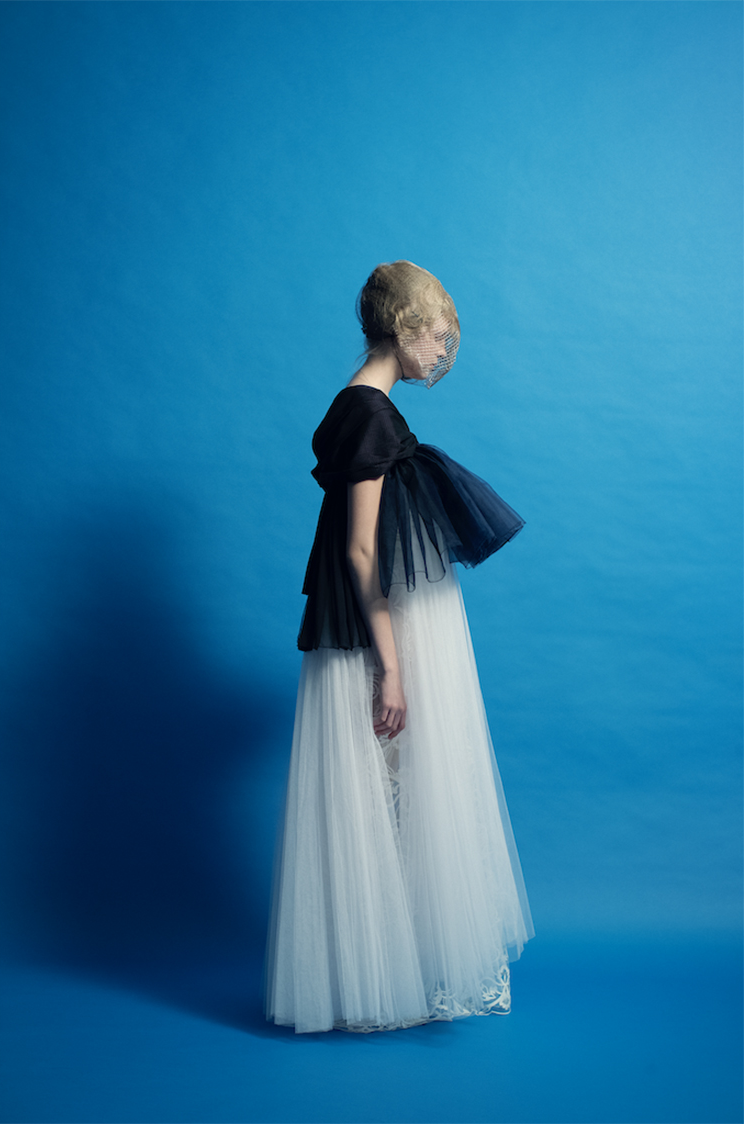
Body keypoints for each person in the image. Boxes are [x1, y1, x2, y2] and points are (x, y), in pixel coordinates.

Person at [265, 260, 534, 1034]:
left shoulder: (369, 408)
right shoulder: (366, 411)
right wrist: (391, 668)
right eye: (438, 335)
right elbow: (358, 551)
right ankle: (373, 980)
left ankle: (397, 969)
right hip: (380, 630)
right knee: (384, 785)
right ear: (403, 328)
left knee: (399, 791)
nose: (444, 351)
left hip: (392, 619)